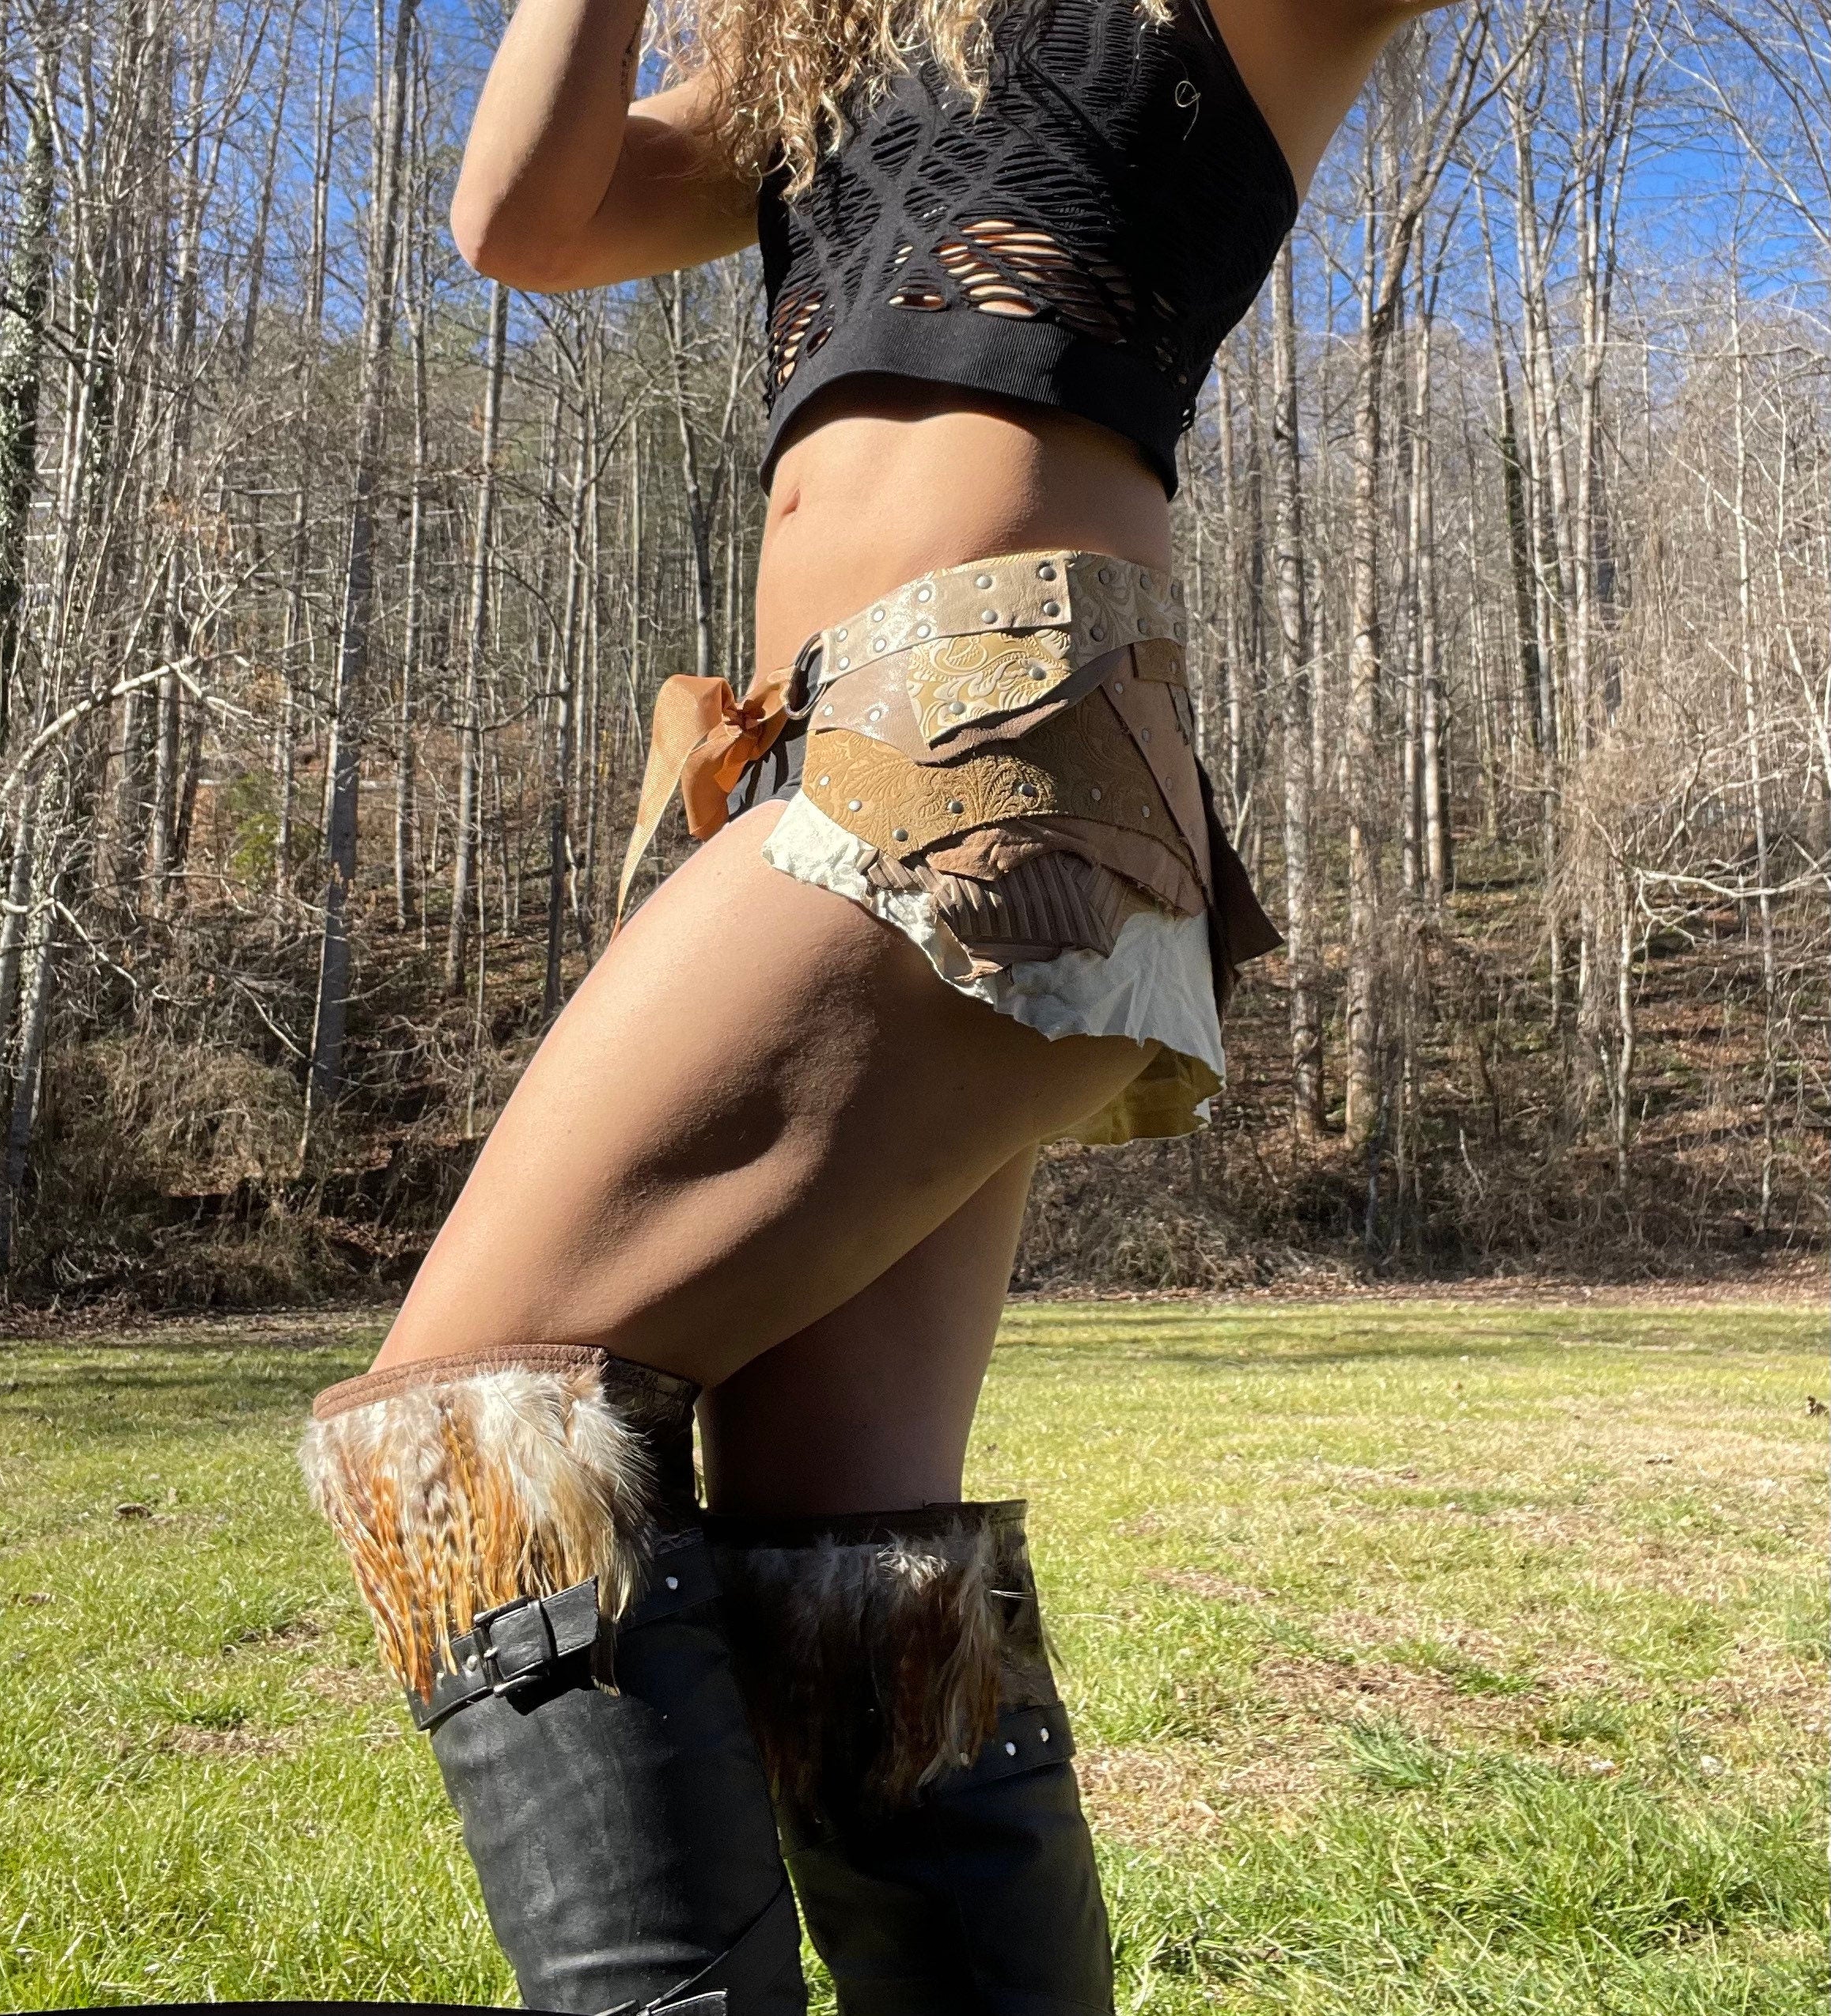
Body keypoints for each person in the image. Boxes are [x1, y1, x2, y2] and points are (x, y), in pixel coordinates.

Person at [300, 0, 1444, 2008]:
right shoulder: (814, 65)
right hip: (831, 759)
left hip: (997, 721)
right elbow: (523, 219)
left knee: (477, 1428)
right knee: (857, 1582)